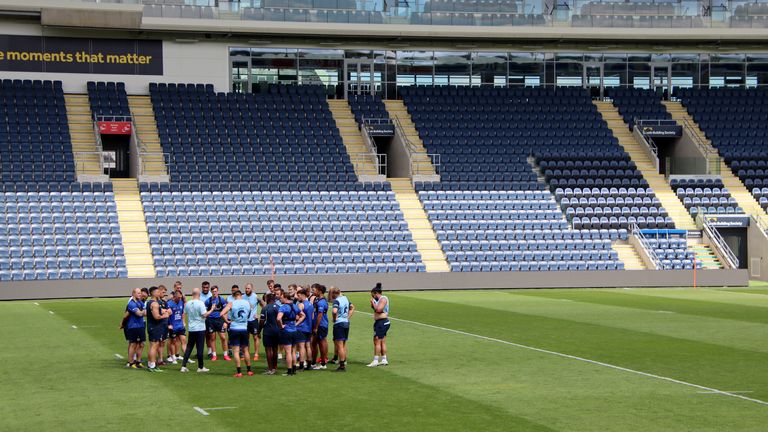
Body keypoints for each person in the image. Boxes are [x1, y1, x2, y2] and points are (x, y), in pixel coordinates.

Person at [221, 289, 254, 377]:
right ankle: (249, 370)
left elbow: (221, 313)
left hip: (234, 328)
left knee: (236, 351)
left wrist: (227, 321)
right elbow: (249, 312)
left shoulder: (231, 303)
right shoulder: (247, 303)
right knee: (246, 350)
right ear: (241, 295)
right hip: (244, 328)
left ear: (234, 296)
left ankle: (239, 372)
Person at [180, 288, 213, 373]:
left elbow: (184, 313)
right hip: (200, 328)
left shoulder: (187, 303)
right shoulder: (200, 303)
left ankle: (183, 366)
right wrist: (212, 309)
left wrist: (184, 322)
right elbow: (204, 315)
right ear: (199, 294)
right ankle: (200, 367)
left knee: (189, 347)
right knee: (200, 348)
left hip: (191, 328)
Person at [276, 287, 304, 376]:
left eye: (281, 298)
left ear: (285, 297)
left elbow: (278, 318)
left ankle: (289, 370)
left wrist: (281, 326)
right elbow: (303, 315)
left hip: (287, 331)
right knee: (293, 351)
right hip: (294, 331)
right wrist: (296, 324)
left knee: (288, 352)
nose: (280, 299)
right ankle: (294, 369)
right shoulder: (295, 306)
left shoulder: (283, 307)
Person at [146, 286, 172, 372]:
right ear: (153, 293)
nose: (159, 293)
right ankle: (152, 366)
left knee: (152, 346)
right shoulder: (155, 303)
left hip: (151, 326)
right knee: (154, 346)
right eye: (157, 292)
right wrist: (165, 315)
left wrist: (163, 311)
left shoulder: (149, 302)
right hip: (155, 327)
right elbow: (156, 317)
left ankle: (151, 364)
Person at [329, 286, 354, 372]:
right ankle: (344, 360)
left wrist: (334, 318)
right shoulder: (345, 298)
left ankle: (342, 365)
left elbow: (334, 311)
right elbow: (352, 307)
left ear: (335, 293)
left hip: (339, 324)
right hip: (346, 323)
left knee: (339, 345)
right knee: (343, 344)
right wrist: (347, 317)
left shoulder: (337, 300)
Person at [121, 288, 147, 369]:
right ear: (134, 294)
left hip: (141, 326)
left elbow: (144, 313)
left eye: (140, 293)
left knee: (142, 344)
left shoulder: (140, 302)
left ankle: (138, 362)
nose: (140, 294)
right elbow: (139, 314)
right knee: (133, 344)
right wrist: (142, 311)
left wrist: (143, 312)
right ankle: (131, 362)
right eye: (139, 293)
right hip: (133, 326)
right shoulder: (131, 304)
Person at [367, 283, 390, 367]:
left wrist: (373, 303)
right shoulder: (379, 300)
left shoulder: (383, 299)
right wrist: (373, 304)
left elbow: (379, 310)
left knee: (377, 341)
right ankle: (384, 359)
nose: (372, 297)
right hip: (381, 322)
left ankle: (375, 360)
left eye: (373, 295)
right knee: (382, 341)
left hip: (382, 322)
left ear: (376, 293)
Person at [205, 286, 229, 361]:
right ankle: (214, 355)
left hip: (220, 320)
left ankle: (225, 355)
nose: (214, 293)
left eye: (215, 291)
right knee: (212, 338)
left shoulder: (221, 300)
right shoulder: (208, 301)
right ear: (211, 292)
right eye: (213, 291)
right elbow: (205, 313)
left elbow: (225, 311)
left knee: (223, 338)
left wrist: (225, 322)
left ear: (218, 291)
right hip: (211, 321)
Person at [258, 293, 280, 375]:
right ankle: (275, 367)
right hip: (277, 331)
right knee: (275, 349)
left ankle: (270, 369)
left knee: (268, 350)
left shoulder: (265, 308)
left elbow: (262, 321)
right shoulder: (278, 307)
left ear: (267, 299)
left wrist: (259, 331)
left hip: (268, 331)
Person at [311, 284, 329, 370]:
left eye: (314, 290)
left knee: (321, 344)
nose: (312, 291)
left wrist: (316, 327)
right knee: (315, 343)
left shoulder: (321, 302)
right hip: (319, 325)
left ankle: (323, 363)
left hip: (321, 325)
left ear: (319, 291)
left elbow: (320, 315)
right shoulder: (318, 300)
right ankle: (314, 362)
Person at [166, 289, 187, 365]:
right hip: (173, 326)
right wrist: (169, 325)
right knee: (173, 341)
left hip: (180, 326)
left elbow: (182, 313)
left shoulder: (181, 302)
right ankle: (173, 357)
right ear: (174, 297)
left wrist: (183, 321)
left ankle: (186, 357)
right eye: (178, 297)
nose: (180, 299)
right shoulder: (169, 304)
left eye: (180, 297)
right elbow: (167, 315)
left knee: (184, 340)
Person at [296, 287, 314, 371]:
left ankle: (301, 365)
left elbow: (297, 316)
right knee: (308, 346)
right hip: (309, 327)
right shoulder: (310, 304)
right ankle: (309, 364)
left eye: (298, 295)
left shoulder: (301, 304)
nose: (297, 297)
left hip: (302, 328)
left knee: (301, 347)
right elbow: (313, 316)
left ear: (302, 295)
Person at [244, 283, 261, 361]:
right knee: (246, 338)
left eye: (248, 288)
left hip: (253, 320)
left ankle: (256, 354)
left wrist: (259, 315)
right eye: (246, 288)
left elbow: (264, 305)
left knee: (255, 337)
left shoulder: (255, 296)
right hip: (245, 321)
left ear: (252, 289)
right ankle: (246, 353)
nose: (247, 290)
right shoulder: (243, 297)